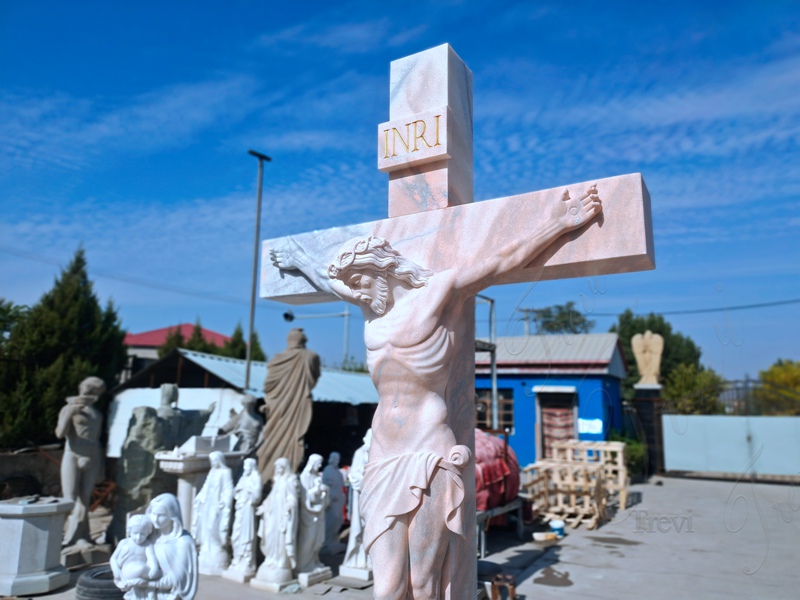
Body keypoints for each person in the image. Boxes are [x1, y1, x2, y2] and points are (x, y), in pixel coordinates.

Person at [269, 185, 602, 599]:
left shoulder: (435, 294)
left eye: (358, 281)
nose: (353, 293)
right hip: (383, 458)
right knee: (387, 586)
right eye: (350, 286)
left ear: (382, 269)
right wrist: (299, 258)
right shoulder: (369, 308)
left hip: (429, 453)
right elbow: (327, 277)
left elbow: (501, 261)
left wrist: (559, 223)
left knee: (425, 583)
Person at [256, 329, 321, 480]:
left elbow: (268, 386)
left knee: (269, 443)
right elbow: (314, 377)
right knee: (285, 440)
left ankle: (266, 478)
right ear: (303, 341)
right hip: (295, 407)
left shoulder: (277, 359)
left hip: (277, 408)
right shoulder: (310, 356)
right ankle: (273, 478)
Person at [55, 376, 105, 547]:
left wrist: (101, 466)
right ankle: (60, 536)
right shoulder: (68, 408)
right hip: (73, 454)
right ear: (81, 387)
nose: (90, 392)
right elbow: (60, 433)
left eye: (94, 390)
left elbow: (97, 440)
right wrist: (70, 412)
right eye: (88, 388)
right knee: (69, 499)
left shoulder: (97, 414)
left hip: (92, 456)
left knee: (85, 499)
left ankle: (81, 536)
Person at [143, 493, 198, 600]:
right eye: (153, 514)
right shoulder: (149, 537)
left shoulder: (183, 542)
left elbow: (179, 577)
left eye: (161, 515)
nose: (155, 519)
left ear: (172, 516)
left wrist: (149, 584)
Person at [254, 457, 299, 585]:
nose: (277, 470)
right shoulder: (277, 480)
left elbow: (293, 497)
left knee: (281, 539)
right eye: (276, 467)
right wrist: (263, 507)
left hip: (282, 517)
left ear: (285, 468)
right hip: (273, 516)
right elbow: (270, 498)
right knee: (269, 536)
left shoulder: (290, 480)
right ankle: (271, 560)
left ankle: (281, 562)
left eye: (280, 467)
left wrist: (290, 505)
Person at [191, 451, 233, 575]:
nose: (213, 463)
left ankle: (216, 547)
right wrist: (199, 497)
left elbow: (229, 489)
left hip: (217, 505)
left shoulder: (226, 472)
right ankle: (206, 549)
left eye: (215, 461)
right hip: (208, 504)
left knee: (213, 526)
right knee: (205, 526)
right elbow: (206, 487)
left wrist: (224, 501)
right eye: (211, 461)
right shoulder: (212, 472)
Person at [110, 514, 160, 600]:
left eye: (142, 534)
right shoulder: (124, 543)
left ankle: (149, 590)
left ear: (148, 532)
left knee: (155, 573)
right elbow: (113, 558)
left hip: (144, 574)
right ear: (129, 531)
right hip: (128, 573)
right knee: (141, 568)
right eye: (135, 533)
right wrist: (116, 570)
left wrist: (154, 567)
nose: (138, 537)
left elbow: (151, 558)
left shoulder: (147, 544)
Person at [343, 429, 372, 570]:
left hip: (371, 497)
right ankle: (354, 560)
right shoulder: (360, 453)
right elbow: (354, 476)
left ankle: (367, 560)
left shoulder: (375, 452)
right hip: (361, 496)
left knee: (370, 529)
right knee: (358, 530)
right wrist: (367, 481)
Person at [227, 458, 262, 577]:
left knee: (247, 535)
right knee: (236, 535)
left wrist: (248, 491)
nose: (245, 469)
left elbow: (257, 496)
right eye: (244, 466)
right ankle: (237, 558)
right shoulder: (243, 478)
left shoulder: (255, 478)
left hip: (248, 510)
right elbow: (235, 492)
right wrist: (237, 490)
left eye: (247, 466)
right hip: (240, 510)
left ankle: (247, 561)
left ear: (252, 467)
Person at [295, 454, 328, 574]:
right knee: (309, 538)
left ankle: (313, 562)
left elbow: (319, 495)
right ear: (312, 463)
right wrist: (317, 490)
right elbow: (306, 497)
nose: (320, 465)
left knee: (318, 540)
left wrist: (324, 491)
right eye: (318, 463)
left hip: (318, 512)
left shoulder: (316, 476)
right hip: (309, 514)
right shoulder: (304, 476)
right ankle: (303, 564)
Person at [322, 452, 346, 553]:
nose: (337, 460)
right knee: (331, 520)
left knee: (338, 520)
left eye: (338, 458)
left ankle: (333, 541)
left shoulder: (338, 472)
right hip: (332, 500)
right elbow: (326, 485)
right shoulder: (328, 469)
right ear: (332, 459)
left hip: (338, 501)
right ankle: (327, 542)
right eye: (335, 458)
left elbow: (341, 485)